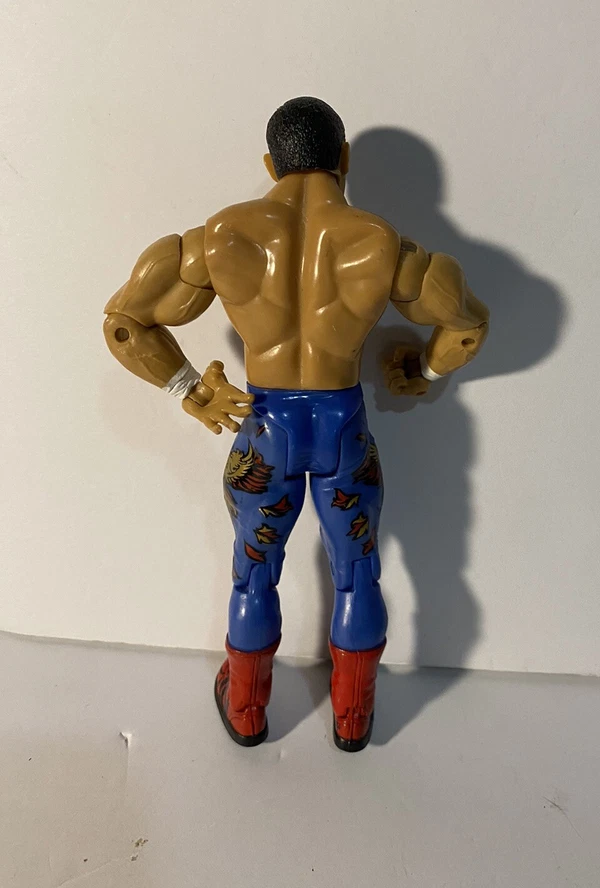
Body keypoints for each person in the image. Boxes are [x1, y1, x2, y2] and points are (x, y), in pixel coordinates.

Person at [103, 97, 488, 751]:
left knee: (254, 571)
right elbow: (468, 325)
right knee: (359, 570)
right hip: (343, 428)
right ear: (344, 160)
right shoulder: (382, 245)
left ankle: (247, 708)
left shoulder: (220, 237)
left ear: (269, 163)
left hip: (266, 428)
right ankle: (353, 716)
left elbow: (124, 323)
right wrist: (422, 368)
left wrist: (189, 388)